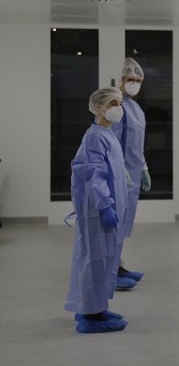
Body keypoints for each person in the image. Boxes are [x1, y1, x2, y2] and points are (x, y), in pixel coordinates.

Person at [65, 87, 129, 333]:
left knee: (104, 261)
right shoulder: (94, 136)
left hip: (108, 210)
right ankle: (89, 316)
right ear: (99, 107)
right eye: (113, 102)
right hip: (97, 210)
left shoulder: (107, 134)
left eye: (119, 102)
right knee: (93, 260)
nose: (118, 107)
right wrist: (104, 205)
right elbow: (93, 174)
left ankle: (97, 308)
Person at [110, 57, 150, 290]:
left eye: (138, 80)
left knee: (124, 223)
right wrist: (119, 169)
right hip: (120, 175)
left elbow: (137, 145)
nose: (134, 83)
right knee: (115, 224)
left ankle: (118, 264)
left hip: (133, 175)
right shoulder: (116, 106)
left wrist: (143, 168)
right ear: (121, 80)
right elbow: (113, 142)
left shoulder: (137, 109)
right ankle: (111, 272)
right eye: (130, 79)